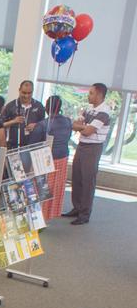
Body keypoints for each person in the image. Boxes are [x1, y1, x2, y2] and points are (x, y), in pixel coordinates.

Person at [66, 82, 113, 226]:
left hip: (93, 148)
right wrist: (83, 126)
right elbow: (73, 124)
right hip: (82, 145)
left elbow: (88, 131)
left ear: (99, 94)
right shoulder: (89, 109)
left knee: (87, 180)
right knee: (77, 177)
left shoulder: (104, 112)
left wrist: (82, 127)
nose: (88, 95)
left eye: (91, 93)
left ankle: (84, 213)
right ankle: (77, 207)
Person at [43, 96, 73, 220]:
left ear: (47, 107)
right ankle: (51, 213)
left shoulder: (45, 123)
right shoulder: (67, 121)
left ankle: (43, 215)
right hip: (63, 156)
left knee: (45, 186)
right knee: (57, 186)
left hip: (49, 158)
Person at [0, 80, 45, 152]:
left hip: (31, 148)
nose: (26, 96)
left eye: (29, 93)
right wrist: (13, 121)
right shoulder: (11, 106)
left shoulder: (39, 106)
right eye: (24, 93)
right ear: (19, 90)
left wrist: (36, 125)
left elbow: (44, 124)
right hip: (13, 147)